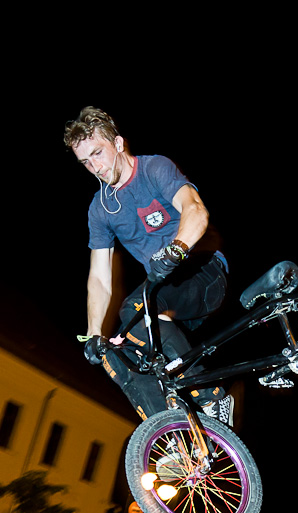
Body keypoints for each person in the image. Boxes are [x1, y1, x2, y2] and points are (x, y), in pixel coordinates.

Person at [65, 107, 231, 422]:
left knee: (134, 309)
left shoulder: (154, 168)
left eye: (98, 153)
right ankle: (173, 435)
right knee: (119, 354)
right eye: (85, 162)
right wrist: (93, 333)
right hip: (168, 296)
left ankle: (213, 398)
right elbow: (99, 278)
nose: (95, 167)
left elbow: (195, 209)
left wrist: (177, 249)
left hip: (204, 272)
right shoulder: (100, 210)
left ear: (118, 143)